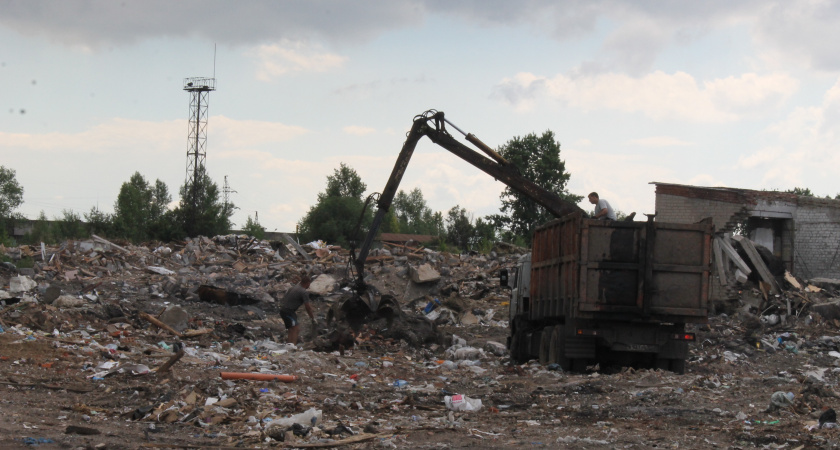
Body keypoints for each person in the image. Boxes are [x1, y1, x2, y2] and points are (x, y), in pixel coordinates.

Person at [279, 275, 316, 344]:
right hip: (289, 311)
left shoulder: (294, 287)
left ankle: (289, 345)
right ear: (308, 283)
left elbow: (285, 298)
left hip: (283, 310)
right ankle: (293, 345)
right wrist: (312, 318)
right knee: (296, 329)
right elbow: (307, 307)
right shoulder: (303, 292)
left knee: (291, 329)